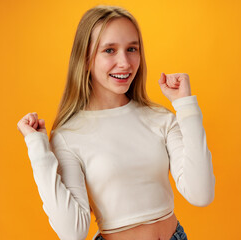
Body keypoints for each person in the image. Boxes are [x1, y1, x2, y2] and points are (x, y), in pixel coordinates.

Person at [17, 5, 215, 240]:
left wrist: (186, 106)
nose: (125, 62)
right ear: (86, 58)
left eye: (132, 49)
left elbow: (201, 194)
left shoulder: (160, 118)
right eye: (109, 50)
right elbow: (73, 232)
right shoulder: (68, 136)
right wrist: (38, 150)